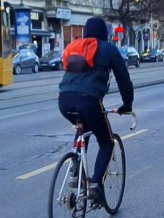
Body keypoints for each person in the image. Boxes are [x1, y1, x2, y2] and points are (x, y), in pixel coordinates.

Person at [58, 17, 135, 204]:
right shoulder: (108, 49)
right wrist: (127, 104)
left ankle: (75, 173)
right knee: (107, 142)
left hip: (64, 100)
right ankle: (95, 186)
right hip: (90, 101)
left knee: (82, 128)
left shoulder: (75, 46)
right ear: (104, 33)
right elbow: (123, 79)